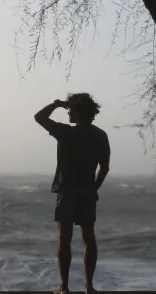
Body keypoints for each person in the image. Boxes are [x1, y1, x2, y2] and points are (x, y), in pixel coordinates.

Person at [34, 93, 110, 294]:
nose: (68, 112)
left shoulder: (65, 132)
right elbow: (104, 167)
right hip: (87, 189)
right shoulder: (100, 135)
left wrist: (56, 104)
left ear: (77, 111)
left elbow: (39, 117)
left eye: (70, 109)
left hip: (67, 189)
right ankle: (90, 287)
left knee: (64, 240)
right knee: (89, 239)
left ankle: (64, 287)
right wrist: (95, 187)